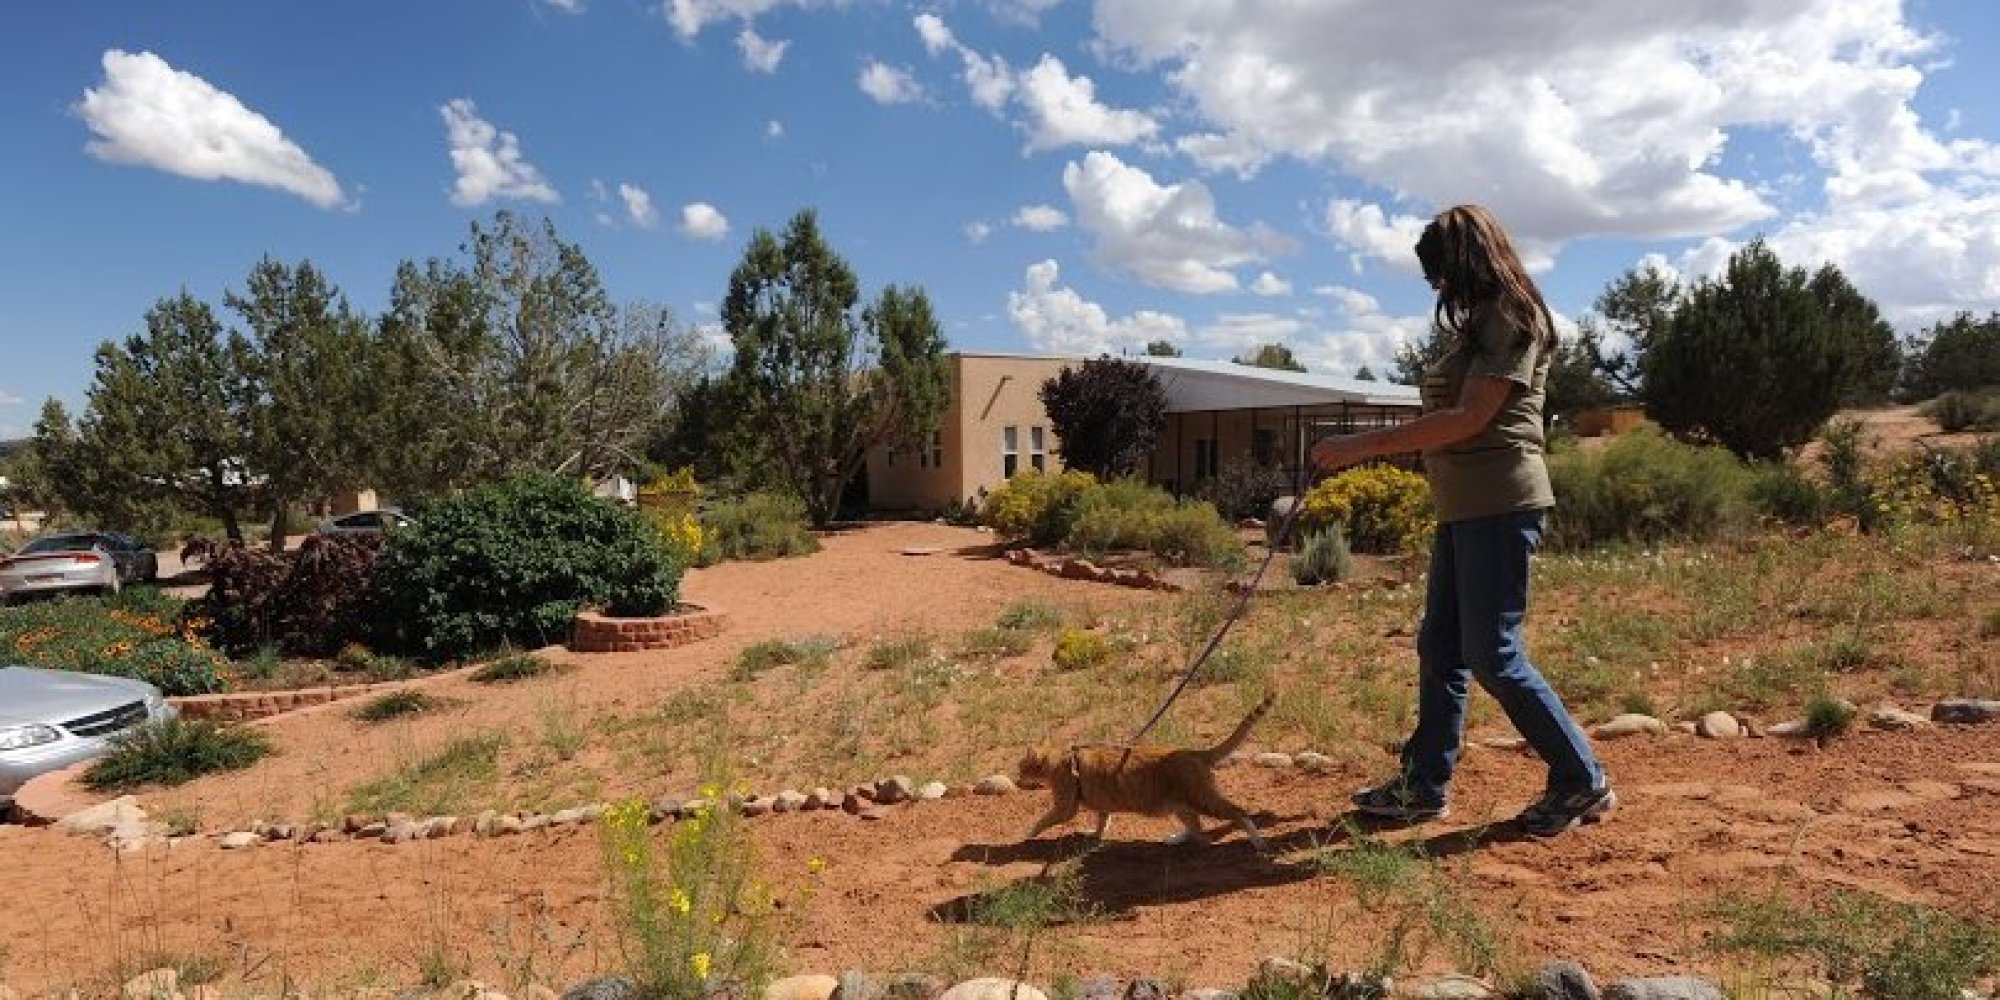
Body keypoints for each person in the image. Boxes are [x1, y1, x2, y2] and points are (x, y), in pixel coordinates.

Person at [1309, 203, 1614, 837]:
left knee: (1492, 653)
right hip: (1465, 507)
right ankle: (1424, 785)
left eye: (1441, 274)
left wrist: (1357, 448)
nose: (1438, 289)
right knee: (1442, 647)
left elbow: (1469, 417)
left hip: (1501, 502)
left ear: (1466, 261)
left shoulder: (1511, 315)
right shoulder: (1481, 320)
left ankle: (1581, 779)